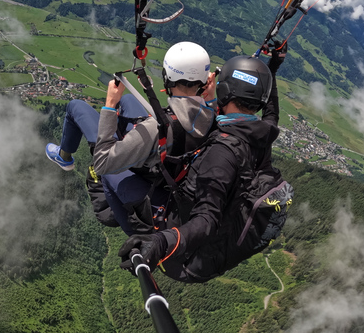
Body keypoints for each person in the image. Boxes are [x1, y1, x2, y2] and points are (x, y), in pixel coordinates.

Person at [118, 44, 293, 283]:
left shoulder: (222, 153)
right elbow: (271, 114)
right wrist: (271, 69)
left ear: (226, 94)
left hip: (185, 261)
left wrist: (161, 242)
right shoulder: (261, 133)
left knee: (123, 185)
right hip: (218, 248)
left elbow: (207, 219)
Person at [45, 41, 217, 231]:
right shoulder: (213, 117)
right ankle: (124, 143)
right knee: (128, 100)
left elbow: (102, 163)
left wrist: (110, 106)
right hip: (169, 172)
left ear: (167, 78)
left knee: (75, 106)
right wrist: (212, 98)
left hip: (150, 181)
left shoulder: (156, 128)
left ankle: (65, 158)